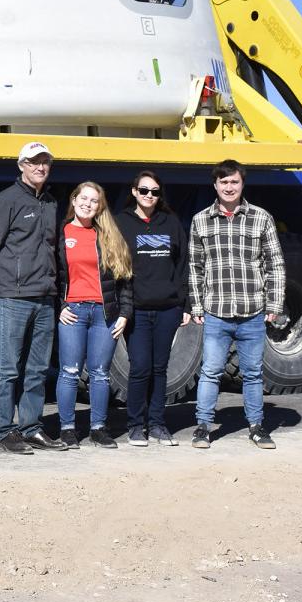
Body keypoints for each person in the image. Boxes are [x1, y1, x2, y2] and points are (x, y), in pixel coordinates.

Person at [188, 160, 286, 449]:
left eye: (234, 182)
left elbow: (275, 263)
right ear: (215, 185)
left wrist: (274, 302)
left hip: (252, 311)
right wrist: (196, 306)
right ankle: (203, 428)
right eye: (223, 182)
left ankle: (256, 427)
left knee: (253, 373)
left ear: (242, 184)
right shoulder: (200, 220)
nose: (229, 187)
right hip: (215, 311)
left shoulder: (261, 218)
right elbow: (195, 266)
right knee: (210, 371)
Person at [0, 142, 66, 455]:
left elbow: (55, 249)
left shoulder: (52, 203)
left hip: (44, 297)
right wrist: (7, 280)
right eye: (33, 162)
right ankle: (7, 430)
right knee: (7, 369)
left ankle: (31, 428)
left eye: (45, 162)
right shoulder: (3, 202)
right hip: (12, 298)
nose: (40, 167)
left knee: (38, 369)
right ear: (21, 165)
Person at [54, 182, 133, 450]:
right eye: (83, 198)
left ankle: (99, 429)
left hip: (104, 313)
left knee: (100, 373)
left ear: (100, 206)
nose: (88, 204)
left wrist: (124, 314)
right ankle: (67, 430)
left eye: (94, 200)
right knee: (69, 371)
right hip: (74, 312)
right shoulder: (61, 234)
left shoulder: (108, 235)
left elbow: (125, 279)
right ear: (74, 200)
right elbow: (50, 275)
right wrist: (60, 306)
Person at [114, 170, 190, 448]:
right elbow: (115, 267)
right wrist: (121, 307)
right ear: (133, 191)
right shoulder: (121, 222)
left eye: (155, 192)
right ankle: (136, 426)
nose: (149, 196)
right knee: (140, 367)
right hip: (136, 310)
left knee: (160, 368)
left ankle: (157, 424)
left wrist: (185, 303)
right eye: (144, 190)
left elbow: (183, 265)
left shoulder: (170, 222)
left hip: (168, 309)